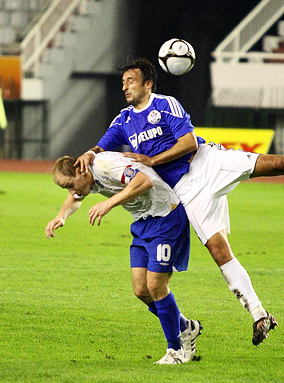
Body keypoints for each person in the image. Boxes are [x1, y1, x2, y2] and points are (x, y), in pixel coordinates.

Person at [76, 58, 284, 346]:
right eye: (123, 82)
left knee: (276, 164)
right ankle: (259, 314)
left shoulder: (165, 104)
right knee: (219, 251)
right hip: (186, 190)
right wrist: (90, 153)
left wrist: (151, 159)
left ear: (148, 84)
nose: (125, 87)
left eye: (131, 81)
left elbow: (189, 142)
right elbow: (101, 147)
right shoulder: (124, 119)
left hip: (207, 162)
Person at [46, 151, 202, 364]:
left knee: (156, 285)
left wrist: (108, 203)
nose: (72, 191)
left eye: (70, 185)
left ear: (81, 171)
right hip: (142, 223)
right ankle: (185, 327)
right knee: (141, 290)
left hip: (166, 217)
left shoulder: (105, 166)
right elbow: (76, 197)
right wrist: (60, 217)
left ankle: (175, 351)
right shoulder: (87, 179)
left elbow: (143, 181)